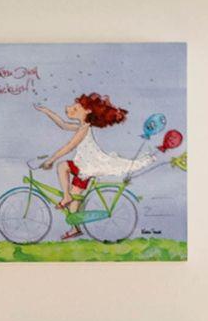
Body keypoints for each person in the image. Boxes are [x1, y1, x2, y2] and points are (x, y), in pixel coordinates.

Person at [34, 93, 156, 240]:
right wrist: (47, 111)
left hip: (86, 167)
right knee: (75, 200)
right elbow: (63, 124)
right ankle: (75, 228)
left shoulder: (84, 128)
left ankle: (66, 197)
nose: (71, 109)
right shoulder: (81, 126)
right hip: (83, 167)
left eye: (76, 108)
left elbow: (70, 146)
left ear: (87, 111)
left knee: (62, 166)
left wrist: (51, 160)